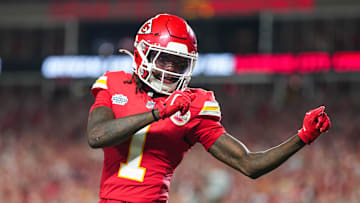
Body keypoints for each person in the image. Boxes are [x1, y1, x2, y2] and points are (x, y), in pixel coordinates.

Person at [87, 13, 331, 203]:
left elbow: (249, 164)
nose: (170, 70)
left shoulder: (194, 105)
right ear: (143, 54)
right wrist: (159, 112)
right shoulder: (115, 83)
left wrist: (303, 137)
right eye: (164, 59)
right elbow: (97, 135)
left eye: (179, 63)